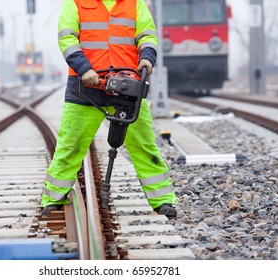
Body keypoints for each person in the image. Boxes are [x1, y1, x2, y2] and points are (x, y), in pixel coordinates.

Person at [41, 0, 178, 219]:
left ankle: (162, 200)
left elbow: (147, 36)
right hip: (86, 86)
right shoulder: (76, 3)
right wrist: (84, 69)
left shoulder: (134, 3)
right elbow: (67, 39)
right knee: (71, 144)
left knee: (143, 144)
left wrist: (146, 59)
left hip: (128, 86)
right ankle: (53, 199)